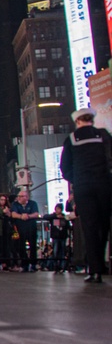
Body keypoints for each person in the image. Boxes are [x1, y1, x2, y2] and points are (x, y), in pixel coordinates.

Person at [60, 106, 112, 283]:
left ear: (77, 121)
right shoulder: (103, 135)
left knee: (89, 227)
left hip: (83, 187)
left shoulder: (71, 139)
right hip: (104, 184)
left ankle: (94, 269)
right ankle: (102, 264)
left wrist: (77, 179)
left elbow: (64, 168)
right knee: (103, 224)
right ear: (92, 119)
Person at [9, 189, 41, 272]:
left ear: (26, 197)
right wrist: (21, 216)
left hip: (31, 227)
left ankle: (33, 264)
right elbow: (13, 214)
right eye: (19, 196)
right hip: (20, 228)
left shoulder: (33, 203)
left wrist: (28, 216)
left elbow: (36, 213)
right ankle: (24, 264)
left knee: (33, 246)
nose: (19, 198)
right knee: (21, 246)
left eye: (21, 196)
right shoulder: (15, 204)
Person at [46, 203, 70, 273]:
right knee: (55, 251)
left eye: (58, 209)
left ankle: (62, 266)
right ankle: (55, 266)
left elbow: (67, 226)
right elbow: (45, 217)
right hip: (55, 237)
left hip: (63, 236)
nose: (57, 210)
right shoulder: (53, 217)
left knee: (62, 252)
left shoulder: (64, 218)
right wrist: (54, 215)